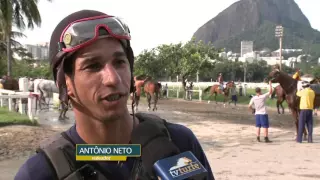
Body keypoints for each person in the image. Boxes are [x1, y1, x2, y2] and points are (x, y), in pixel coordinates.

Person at [14, 10, 214, 180]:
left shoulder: (180, 142)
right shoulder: (39, 173)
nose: (113, 78)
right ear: (66, 84)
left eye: (119, 62)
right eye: (93, 66)